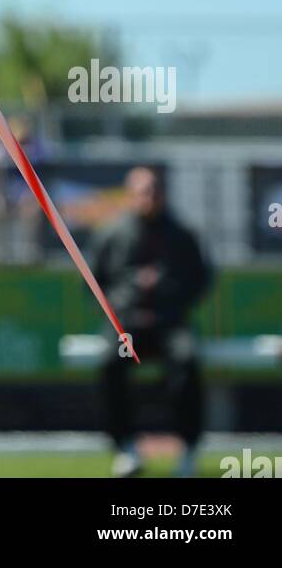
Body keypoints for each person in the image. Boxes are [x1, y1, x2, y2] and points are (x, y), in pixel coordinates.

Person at [89, 166, 213, 478]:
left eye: (155, 190)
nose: (150, 197)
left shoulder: (182, 234)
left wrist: (168, 295)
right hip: (127, 327)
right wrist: (126, 298)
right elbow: (93, 282)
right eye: (143, 191)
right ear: (131, 195)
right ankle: (125, 448)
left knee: (187, 360)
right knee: (110, 362)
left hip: (170, 323)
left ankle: (187, 449)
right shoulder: (113, 233)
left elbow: (202, 278)